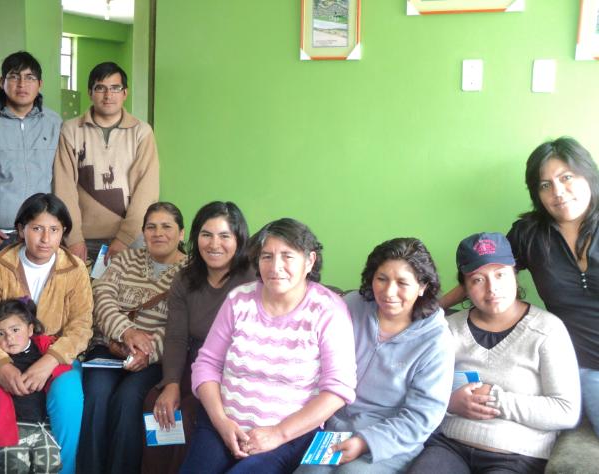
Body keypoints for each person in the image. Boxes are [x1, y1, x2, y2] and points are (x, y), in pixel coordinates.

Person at [441, 137, 599, 438]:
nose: (558, 192)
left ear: (588, 174)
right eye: (545, 185)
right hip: (588, 366)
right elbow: (485, 270)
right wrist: (435, 308)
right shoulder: (529, 234)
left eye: (566, 177)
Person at [180, 218, 357, 474]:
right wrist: (221, 422)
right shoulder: (239, 300)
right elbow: (207, 364)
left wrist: (278, 433)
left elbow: (338, 390)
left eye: (287, 256)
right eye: (266, 256)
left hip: (288, 436)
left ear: (310, 261)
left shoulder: (328, 310)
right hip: (222, 424)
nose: (275, 267)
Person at [411, 232, 580, 474]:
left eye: (500, 274)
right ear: (465, 287)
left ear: (515, 274)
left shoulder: (547, 330)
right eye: (478, 280)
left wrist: (496, 400)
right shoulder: (448, 329)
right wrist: (450, 402)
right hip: (449, 446)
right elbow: (418, 388)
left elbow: (566, 412)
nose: (492, 289)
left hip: (516, 456)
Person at [295, 238, 454, 474]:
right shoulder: (349, 307)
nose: (389, 292)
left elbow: (422, 416)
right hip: (332, 427)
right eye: (382, 279)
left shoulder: (436, 340)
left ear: (422, 286)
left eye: (402, 283)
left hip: (391, 439)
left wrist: (364, 442)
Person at [0, 193, 93, 474]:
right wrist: (0, 364)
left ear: (63, 232)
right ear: (21, 229)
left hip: (54, 355)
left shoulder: (75, 270)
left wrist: (49, 360)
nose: (46, 238)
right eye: (37, 228)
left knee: (69, 396)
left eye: (54, 230)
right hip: (3, 352)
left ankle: (65, 470)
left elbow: (81, 326)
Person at [77, 202, 188, 474]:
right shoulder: (126, 259)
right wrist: (126, 332)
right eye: (151, 227)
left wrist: (146, 351)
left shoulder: (190, 272)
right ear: (143, 232)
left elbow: (182, 325)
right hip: (109, 347)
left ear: (181, 233)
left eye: (166, 227)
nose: (158, 233)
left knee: (128, 400)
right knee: (97, 394)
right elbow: (101, 297)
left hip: (153, 359)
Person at [143, 201, 253, 473]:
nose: (214, 244)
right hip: (194, 363)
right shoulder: (185, 278)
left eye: (224, 236)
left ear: (239, 239)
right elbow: (176, 337)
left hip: (232, 372)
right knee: (155, 403)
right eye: (206, 235)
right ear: (195, 238)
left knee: (188, 415)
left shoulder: (252, 280)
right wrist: (171, 383)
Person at [54, 61, 159, 264]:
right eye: (100, 88)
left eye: (115, 88)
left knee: (131, 285)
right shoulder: (71, 130)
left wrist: (124, 238)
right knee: (81, 285)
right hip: (83, 239)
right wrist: (73, 237)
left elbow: (147, 189)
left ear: (125, 93)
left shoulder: (141, 132)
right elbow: (64, 187)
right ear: (90, 93)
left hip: (132, 237)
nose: (108, 95)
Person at [0, 51, 62, 267]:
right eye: (14, 77)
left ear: (40, 84)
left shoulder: (53, 122)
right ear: (2, 82)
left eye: (29, 77)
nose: (22, 84)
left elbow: (63, 176)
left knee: (43, 289)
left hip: (43, 234)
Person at [0, 298, 70, 474]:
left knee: (49, 464)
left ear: (30, 330)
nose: (9, 338)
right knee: (13, 466)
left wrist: (49, 368)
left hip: (42, 426)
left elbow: (64, 363)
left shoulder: (43, 351)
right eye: (1, 334)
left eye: (15, 330)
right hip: (12, 428)